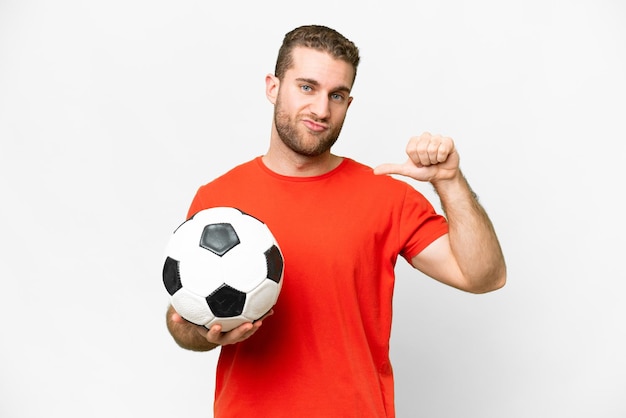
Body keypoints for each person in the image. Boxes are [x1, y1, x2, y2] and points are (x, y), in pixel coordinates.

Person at [165, 24, 506, 418]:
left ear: (348, 102)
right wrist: (205, 334)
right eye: (307, 87)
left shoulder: (385, 195)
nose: (322, 109)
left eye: (337, 95)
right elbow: (182, 322)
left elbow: (485, 276)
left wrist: (450, 182)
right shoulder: (218, 201)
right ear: (273, 87)